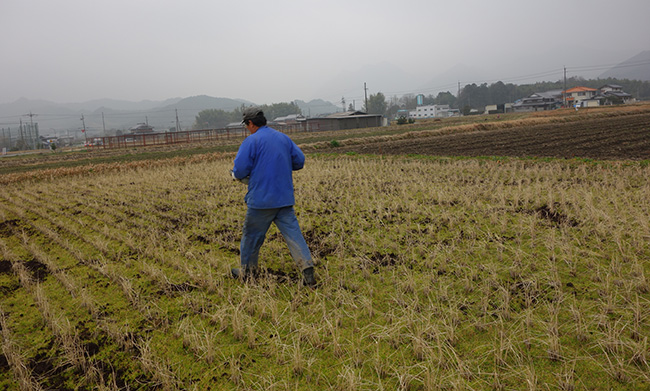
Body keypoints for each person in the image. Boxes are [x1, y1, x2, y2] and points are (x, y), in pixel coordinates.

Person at [230, 107, 316, 287]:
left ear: (251, 123)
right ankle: (308, 272)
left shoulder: (251, 141)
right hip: (284, 198)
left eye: (247, 125)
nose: (247, 128)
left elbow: (239, 171)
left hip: (261, 201)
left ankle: (248, 272)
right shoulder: (283, 138)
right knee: (294, 235)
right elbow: (299, 161)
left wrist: (237, 175)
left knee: (251, 236)